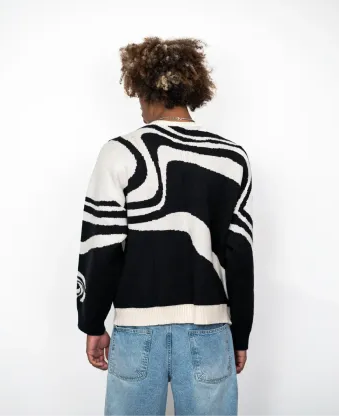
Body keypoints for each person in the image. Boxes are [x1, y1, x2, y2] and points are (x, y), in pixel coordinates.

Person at [76, 36, 254, 416]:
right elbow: (239, 255)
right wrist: (241, 333)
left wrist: (92, 321)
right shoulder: (231, 158)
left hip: (136, 331)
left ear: (145, 88)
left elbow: (102, 245)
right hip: (209, 331)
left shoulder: (120, 153)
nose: (139, 108)